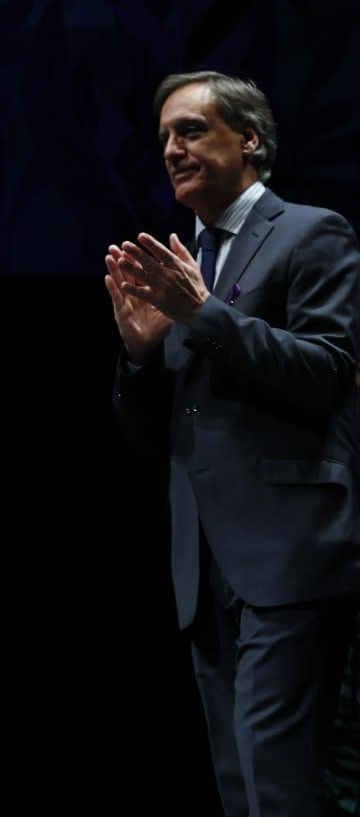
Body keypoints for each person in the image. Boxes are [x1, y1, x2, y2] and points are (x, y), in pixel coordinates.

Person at [107, 71, 360, 815]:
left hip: (291, 551)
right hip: (206, 561)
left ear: (249, 139)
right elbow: (157, 435)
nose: (172, 150)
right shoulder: (186, 260)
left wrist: (205, 315)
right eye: (163, 139)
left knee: (282, 786)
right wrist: (140, 357)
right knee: (240, 785)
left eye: (191, 130)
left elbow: (327, 372)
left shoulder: (312, 233)